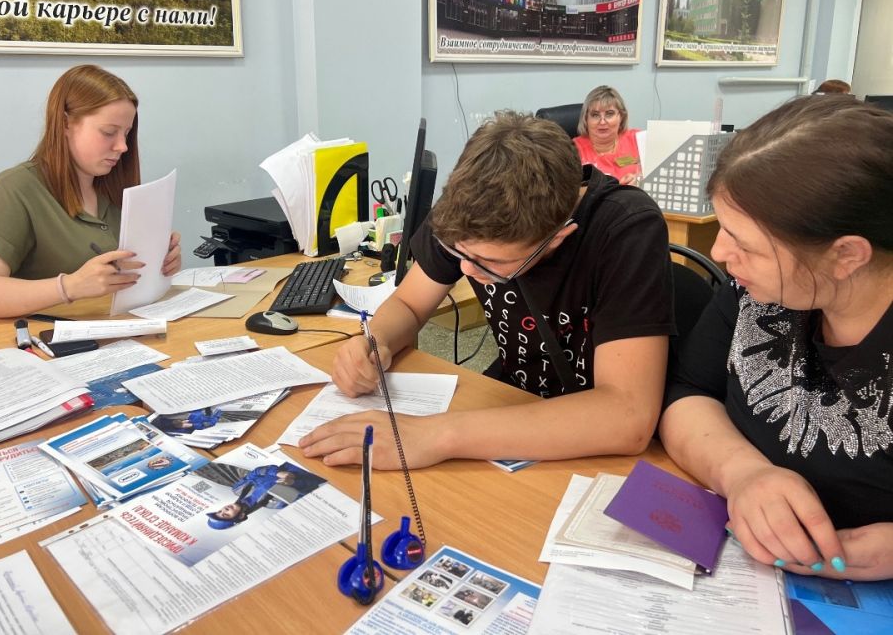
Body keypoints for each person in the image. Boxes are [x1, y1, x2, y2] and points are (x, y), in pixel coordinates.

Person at [300, 111, 674, 470]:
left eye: (487, 263)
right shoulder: (466, 214)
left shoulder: (626, 229)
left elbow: (627, 416)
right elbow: (410, 305)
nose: (466, 270)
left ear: (559, 237)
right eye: (457, 253)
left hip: (593, 439)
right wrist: (375, 341)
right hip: (510, 405)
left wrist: (436, 435)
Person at [659, 95, 893, 581]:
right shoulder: (760, 292)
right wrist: (743, 473)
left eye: (744, 244)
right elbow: (689, 393)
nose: (721, 254)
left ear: (846, 254)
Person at [0, 65, 181, 317]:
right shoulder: (16, 188)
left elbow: (120, 275)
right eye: (108, 132)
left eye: (126, 134)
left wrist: (159, 261)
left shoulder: (112, 187)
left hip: (114, 328)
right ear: (65, 123)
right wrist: (69, 286)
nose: (122, 146)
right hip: (46, 340)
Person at [574, 85, 642, 186]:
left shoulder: (638, 139)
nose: (602, 122)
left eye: (609, 114)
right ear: (586, 119)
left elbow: (659, 172)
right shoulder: (573, 149)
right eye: (595, 115)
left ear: (621, 117)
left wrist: (639, 180)